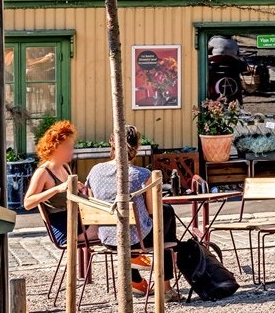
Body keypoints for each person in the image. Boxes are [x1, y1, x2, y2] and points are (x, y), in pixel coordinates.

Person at [86, 125, 178, 293]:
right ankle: (165, 288)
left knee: (151, 221)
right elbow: (153, 211)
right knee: (164, 215)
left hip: (107, 238)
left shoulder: (94, 171)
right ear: (137, 146)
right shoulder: (142, 175)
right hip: (136, 240)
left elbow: (94, 204)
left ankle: (136, 278)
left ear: (111, 142)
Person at [22, 120, 96, 250]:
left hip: (74, 218)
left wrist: (79, 187)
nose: (71, 150)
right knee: (106, 231)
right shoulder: (43, 172)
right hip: (62, 227)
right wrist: (57, 189)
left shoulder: (65, 167)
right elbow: (28, 203)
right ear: (55, 147)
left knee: (111, 225)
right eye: (67, 147)